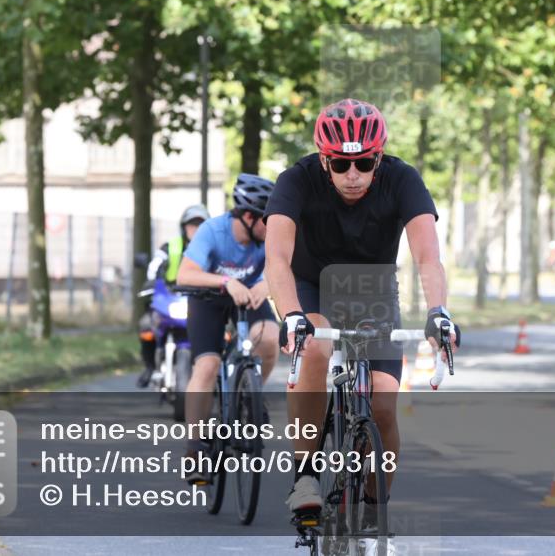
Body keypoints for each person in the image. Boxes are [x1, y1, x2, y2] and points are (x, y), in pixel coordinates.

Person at [263, 99, 460, 553]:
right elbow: (276, 257)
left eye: (365, 162)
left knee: (384, 408)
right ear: (324, 160)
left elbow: (428, 256)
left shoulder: (402, 179)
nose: (353, 174)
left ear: (379, 157)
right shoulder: (297, 179)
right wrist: (291, 314)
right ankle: (306, 475)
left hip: (372, 293)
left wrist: (439, 311)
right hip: (311, 288)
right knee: (313, 349)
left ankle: (373, 507)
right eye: (342, 164)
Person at [176, 174, 280, 484]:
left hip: (250, 296)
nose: (272, 226)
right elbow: (185, 274)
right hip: (208, 298)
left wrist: (267, 284)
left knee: (270, 337)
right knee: (207, 365)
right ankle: (195, 449)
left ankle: (249, 393)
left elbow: (287, 266)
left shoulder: (270, 237)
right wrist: (225, 281)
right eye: (267, 220)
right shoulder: (213, 230)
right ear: (249, 216)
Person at [136, 204, 209, 388]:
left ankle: (224, 374)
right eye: (192, 225)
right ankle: (149, 366)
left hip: (204, 301)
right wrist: (151, 281)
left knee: (225, 331)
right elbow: (155, 264)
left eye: (200, 225)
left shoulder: (213, 248)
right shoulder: (171, 247)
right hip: (171, 298)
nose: (196, 229)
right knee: (146, 326)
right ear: (184, 227)